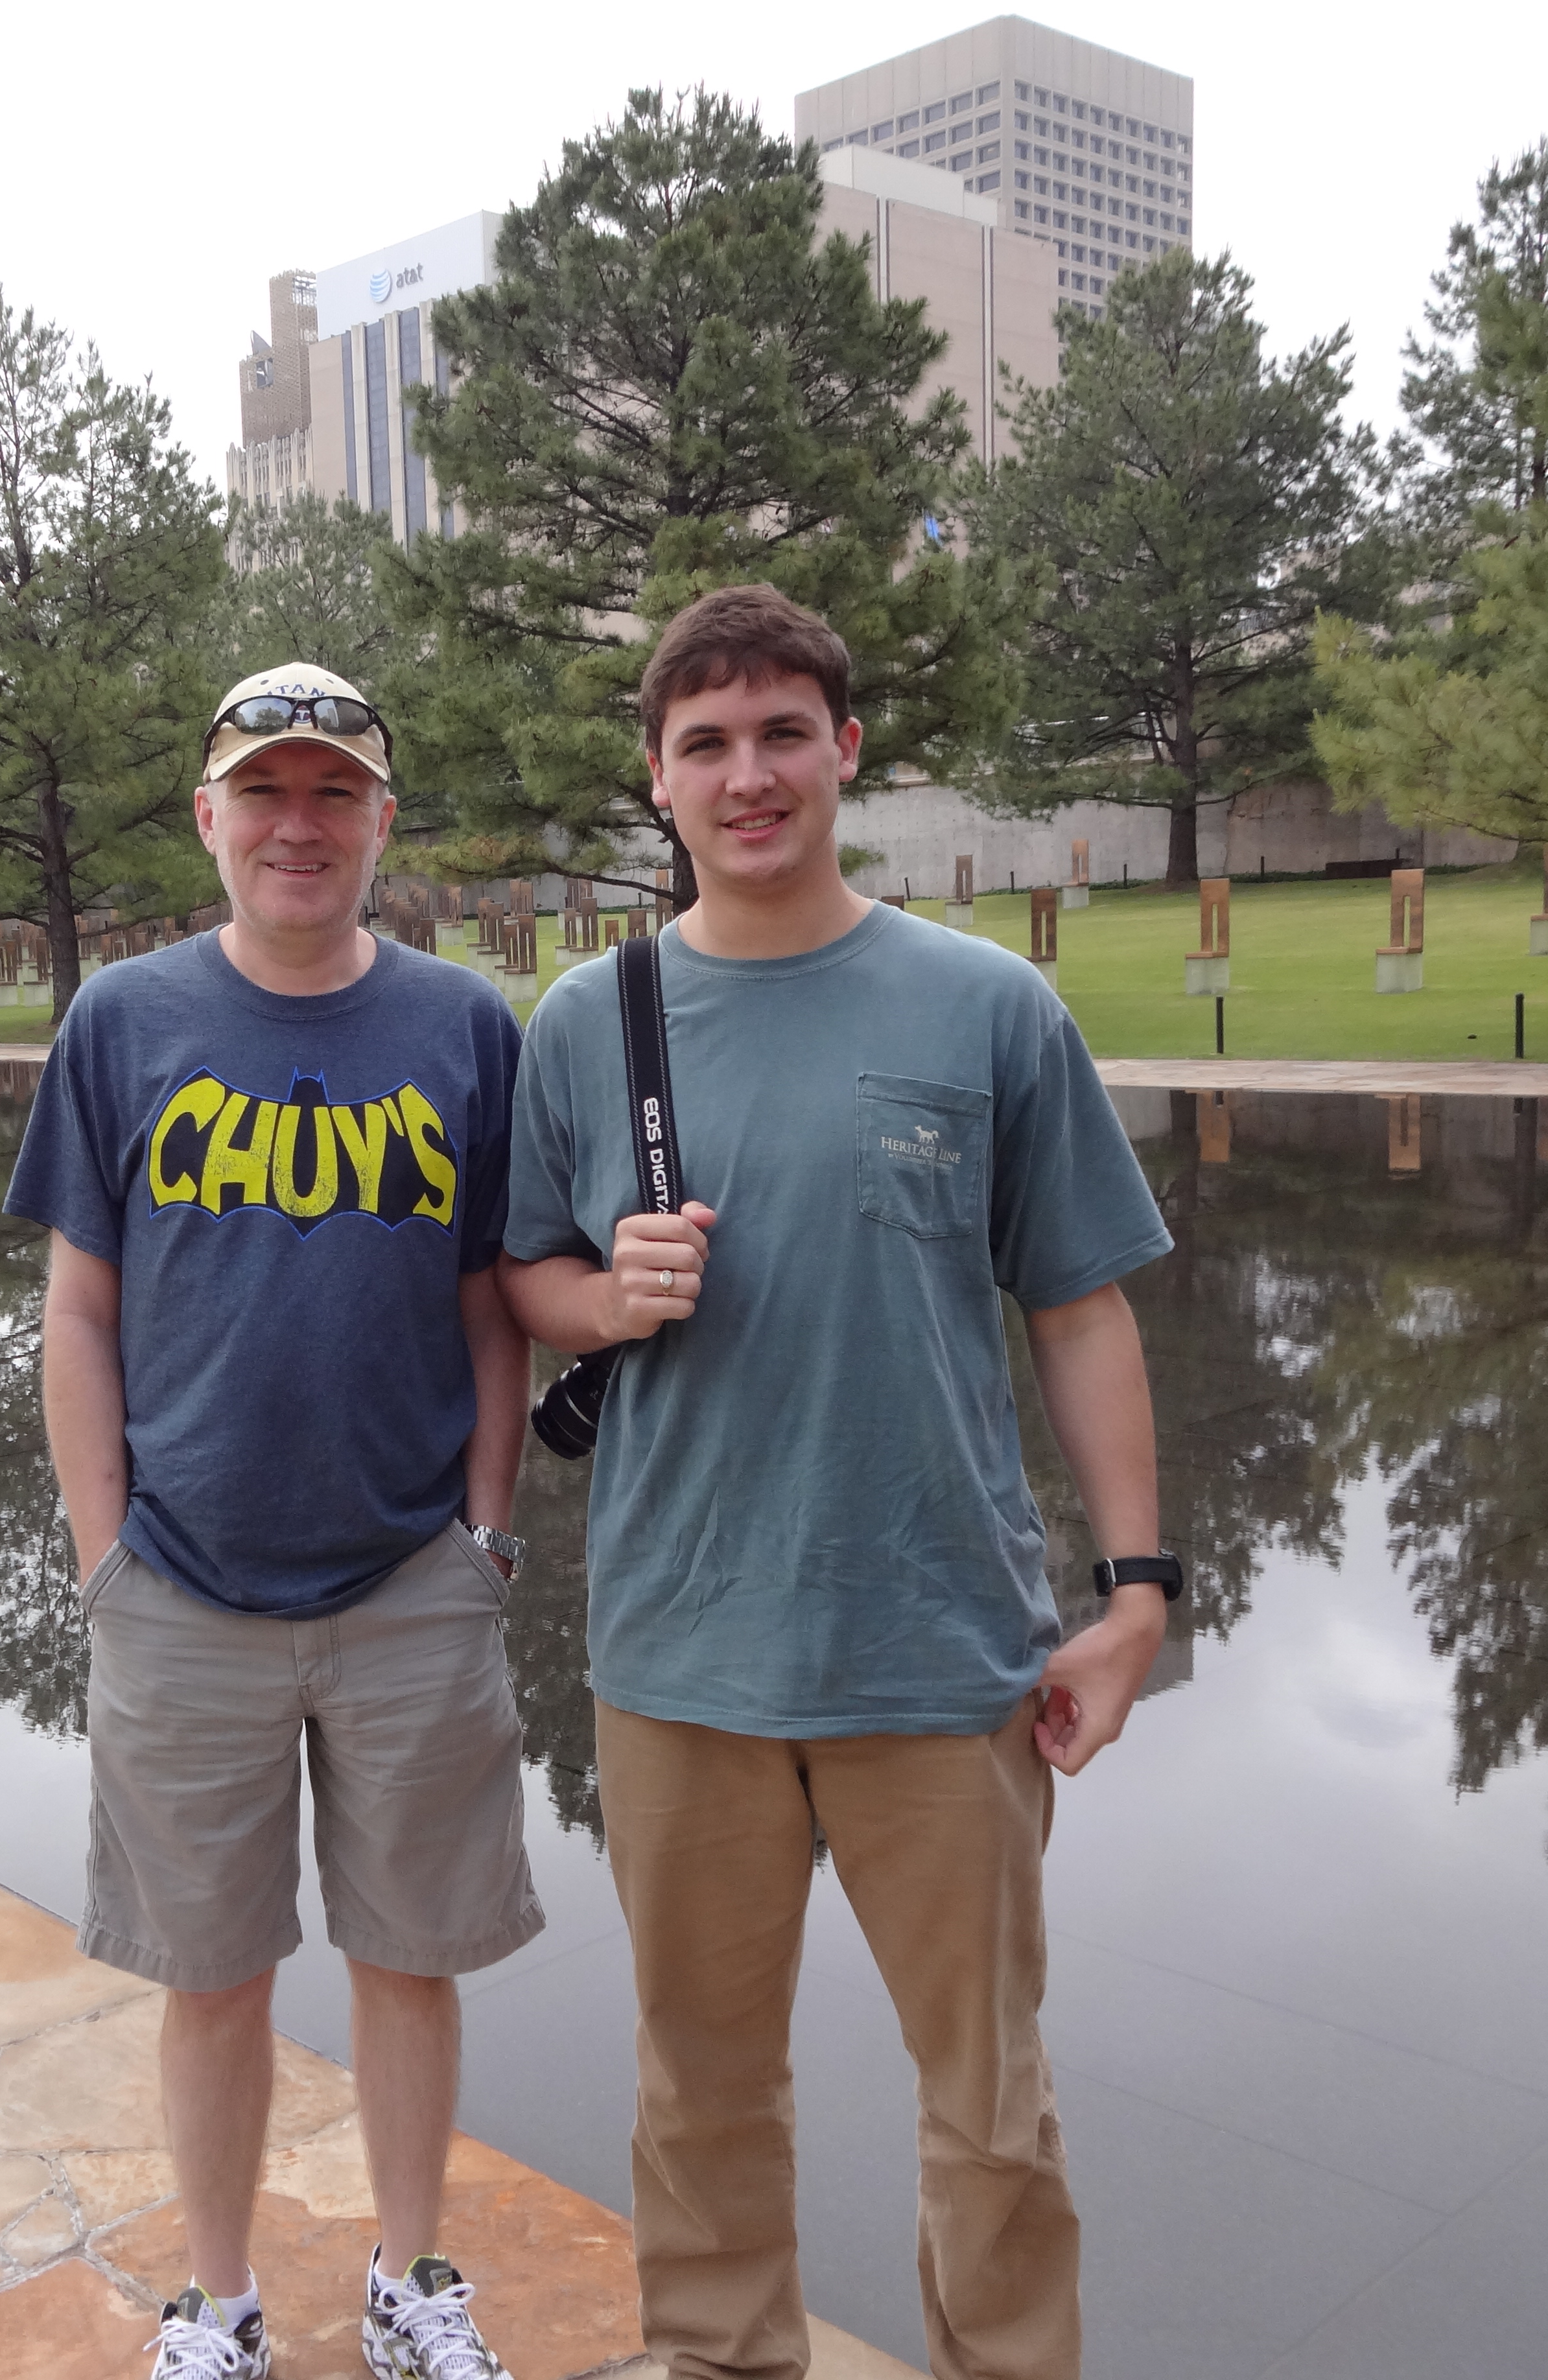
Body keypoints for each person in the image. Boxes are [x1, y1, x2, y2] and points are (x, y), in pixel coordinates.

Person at [499, 585, 1179, 2380]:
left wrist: (1137, 1595)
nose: (749, 776)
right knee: (700, 2091)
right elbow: (521, 1278)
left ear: (846, 750)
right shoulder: (588, 1020)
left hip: (939, 1648)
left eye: (783, 734)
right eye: (707, 744)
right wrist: (604, 1295)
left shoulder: (986, 1007)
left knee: (990, 2103)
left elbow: (1081, 1308)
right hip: (682, 1653)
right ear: (658, 778)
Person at [7, 661, 543, 2380]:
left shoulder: (465, 1027)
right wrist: (102, 1554)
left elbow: (494, 1306)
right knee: (211, 1975)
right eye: (265, 792)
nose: (298, 825)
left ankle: (407, 2281)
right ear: (209, 818)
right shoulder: (123, 1021)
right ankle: (221, 2303)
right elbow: (79, 1309)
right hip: (180, 1587)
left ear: (383, 820)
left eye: (334, 793)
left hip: (408, 1586)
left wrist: (485, 1535)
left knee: (410, 1960)